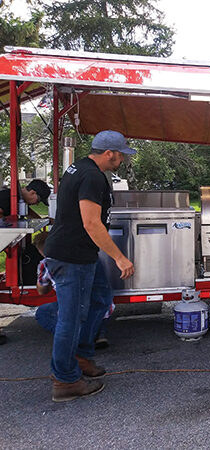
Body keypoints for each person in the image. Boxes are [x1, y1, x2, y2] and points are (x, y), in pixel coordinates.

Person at [43, 130, 135, 402]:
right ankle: (65, 380)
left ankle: (82, 357)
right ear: (109, 153)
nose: (122, 161)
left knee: (99, 300)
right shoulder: (92, 176)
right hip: (71, 257)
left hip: (81, 255)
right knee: (71, 318)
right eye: (121, 156)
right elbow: (91, 222)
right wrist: (119, 257)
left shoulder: (79, 168)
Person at [0, 179, 51, 344]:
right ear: (32, 193)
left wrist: (46, 221)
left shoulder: (16, 196)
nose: (36, 203)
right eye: (37, 199)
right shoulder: (9, 197)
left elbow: (30, 214)